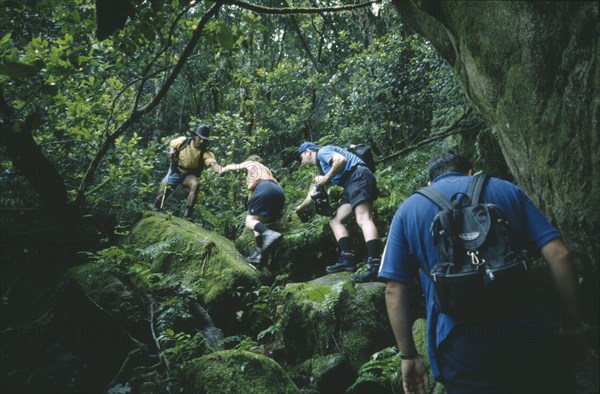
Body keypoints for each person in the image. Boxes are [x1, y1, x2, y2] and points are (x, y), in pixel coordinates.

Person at [379, 150, 587, 394]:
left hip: (462, 346)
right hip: (530, 329)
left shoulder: (408, 209)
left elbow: (394, 289)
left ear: (429, 182)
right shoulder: (506, 189)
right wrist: (572, 324)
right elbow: (559, 254)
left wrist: (408, 355)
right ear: (470, 172)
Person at [293, 142, 382, 282]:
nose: (302, 163)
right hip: (352, 183)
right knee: (335, 220)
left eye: (301, 158)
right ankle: (347, 259)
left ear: (309, 151)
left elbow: (341, 160)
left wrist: (326, 179)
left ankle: (375, 265)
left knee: (363, 218)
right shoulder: (322, 169)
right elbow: (314, 191)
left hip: (358, 176)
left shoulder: (323, 152)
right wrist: (300, 208)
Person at [219, 155, 284, 265]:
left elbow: (233, 167)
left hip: (265, 188)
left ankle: (269, 234)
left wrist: (222, 169)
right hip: (279, 192)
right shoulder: (266, 170)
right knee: (257, 223)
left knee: (249, 222)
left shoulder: (252, 164)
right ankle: (260, 256)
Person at [154, 125, 222, 220]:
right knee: (162, 191)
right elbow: (172, 145)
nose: (202, 141)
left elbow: (213, 164)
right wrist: (171, 152)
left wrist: (219, 170)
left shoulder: (206, 153)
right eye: (200, 138)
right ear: (194, 136)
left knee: (196, 184)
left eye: (204, 140)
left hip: (188, 175)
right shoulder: (183, 141)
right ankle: (155, 210)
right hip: (176, 171)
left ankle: (187, 215)